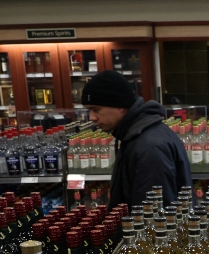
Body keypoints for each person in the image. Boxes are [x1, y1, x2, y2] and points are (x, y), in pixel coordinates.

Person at [81, 70, 191, 208]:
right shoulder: (135, 135)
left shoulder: (149, 146)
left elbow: (153, 215)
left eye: (96, 110)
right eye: (88, 111)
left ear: (120, 106)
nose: (91, 117)